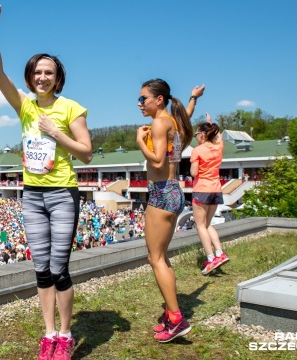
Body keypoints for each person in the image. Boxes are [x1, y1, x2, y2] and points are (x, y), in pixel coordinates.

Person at [0, 2, 93, 359]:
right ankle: (48, 335)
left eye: (49, 73)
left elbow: (86, 153)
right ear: (30, 77)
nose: (43, 77)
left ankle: (66, 333)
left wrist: (56, 133)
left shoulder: (71, 107)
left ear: (58, 78)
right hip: (32, 196)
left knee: (59, 267)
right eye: (37, 72)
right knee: (41, 269)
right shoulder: (25, 106)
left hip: (61, 193)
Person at [136, 78, 203, 343]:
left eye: (143, 98)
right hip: (173, 190)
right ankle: (170, 313)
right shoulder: (173, 122)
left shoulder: (158, 123)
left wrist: (141, 141)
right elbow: (185, 118)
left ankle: (175, 319)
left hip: (161, 191)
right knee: (162, 256)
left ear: (159, 99)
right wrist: (193, 99)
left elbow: (158, 158)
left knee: (155, 258)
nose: (139, 103)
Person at [191, 113, 229, 275]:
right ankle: (220, 253)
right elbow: (219, 137)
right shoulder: (219, 147)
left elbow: (193, 173)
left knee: (200, 225)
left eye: (196, 134)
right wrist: (211, 124)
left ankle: (210, 258)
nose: (196, 137)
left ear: (201, 135)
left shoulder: (197, 150)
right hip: (216, 189)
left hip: (201, 189)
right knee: (207, 224)